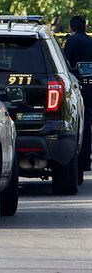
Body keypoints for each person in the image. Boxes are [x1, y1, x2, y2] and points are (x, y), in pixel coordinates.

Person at [63, 15, 92, 172]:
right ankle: (86, 158)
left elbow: (65, 64)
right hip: (90, 86)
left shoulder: (71, 41)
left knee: (80, 123)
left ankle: (80, 159)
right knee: (87, 122)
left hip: (76, 87)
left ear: (71, 27)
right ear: (84, 26)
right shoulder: (90, 42)